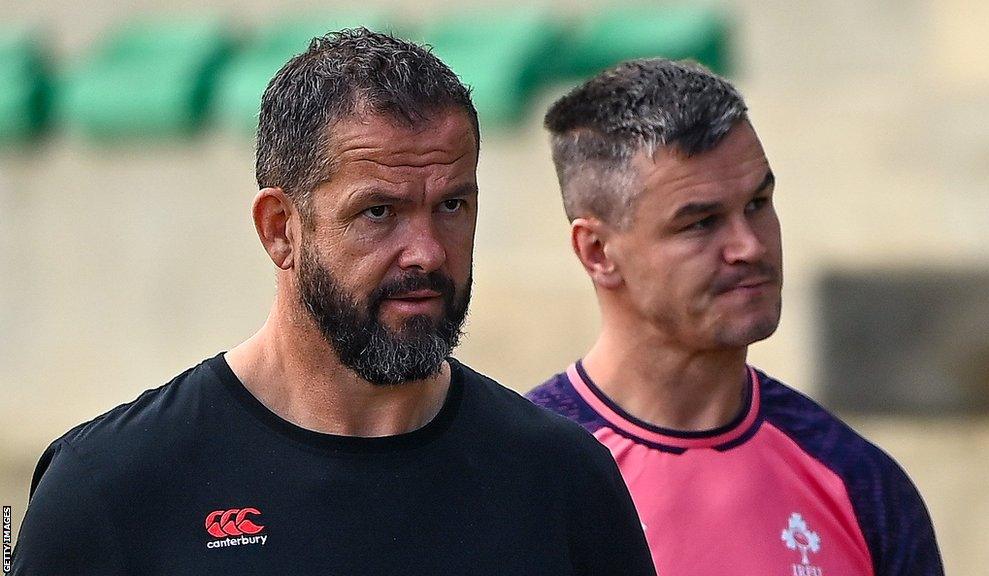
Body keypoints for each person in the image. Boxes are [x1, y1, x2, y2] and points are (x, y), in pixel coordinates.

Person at [12, 30, 655, 576]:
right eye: (379, 212)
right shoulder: (109, 490)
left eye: (452, 205)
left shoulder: (563, 483)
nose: (427, 252)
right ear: (280, 229)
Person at [527, 58, 944, 576]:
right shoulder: (520, 485)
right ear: (597, 252)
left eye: (758, 203)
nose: (749, 245)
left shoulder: (860, 484)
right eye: (700, 223)